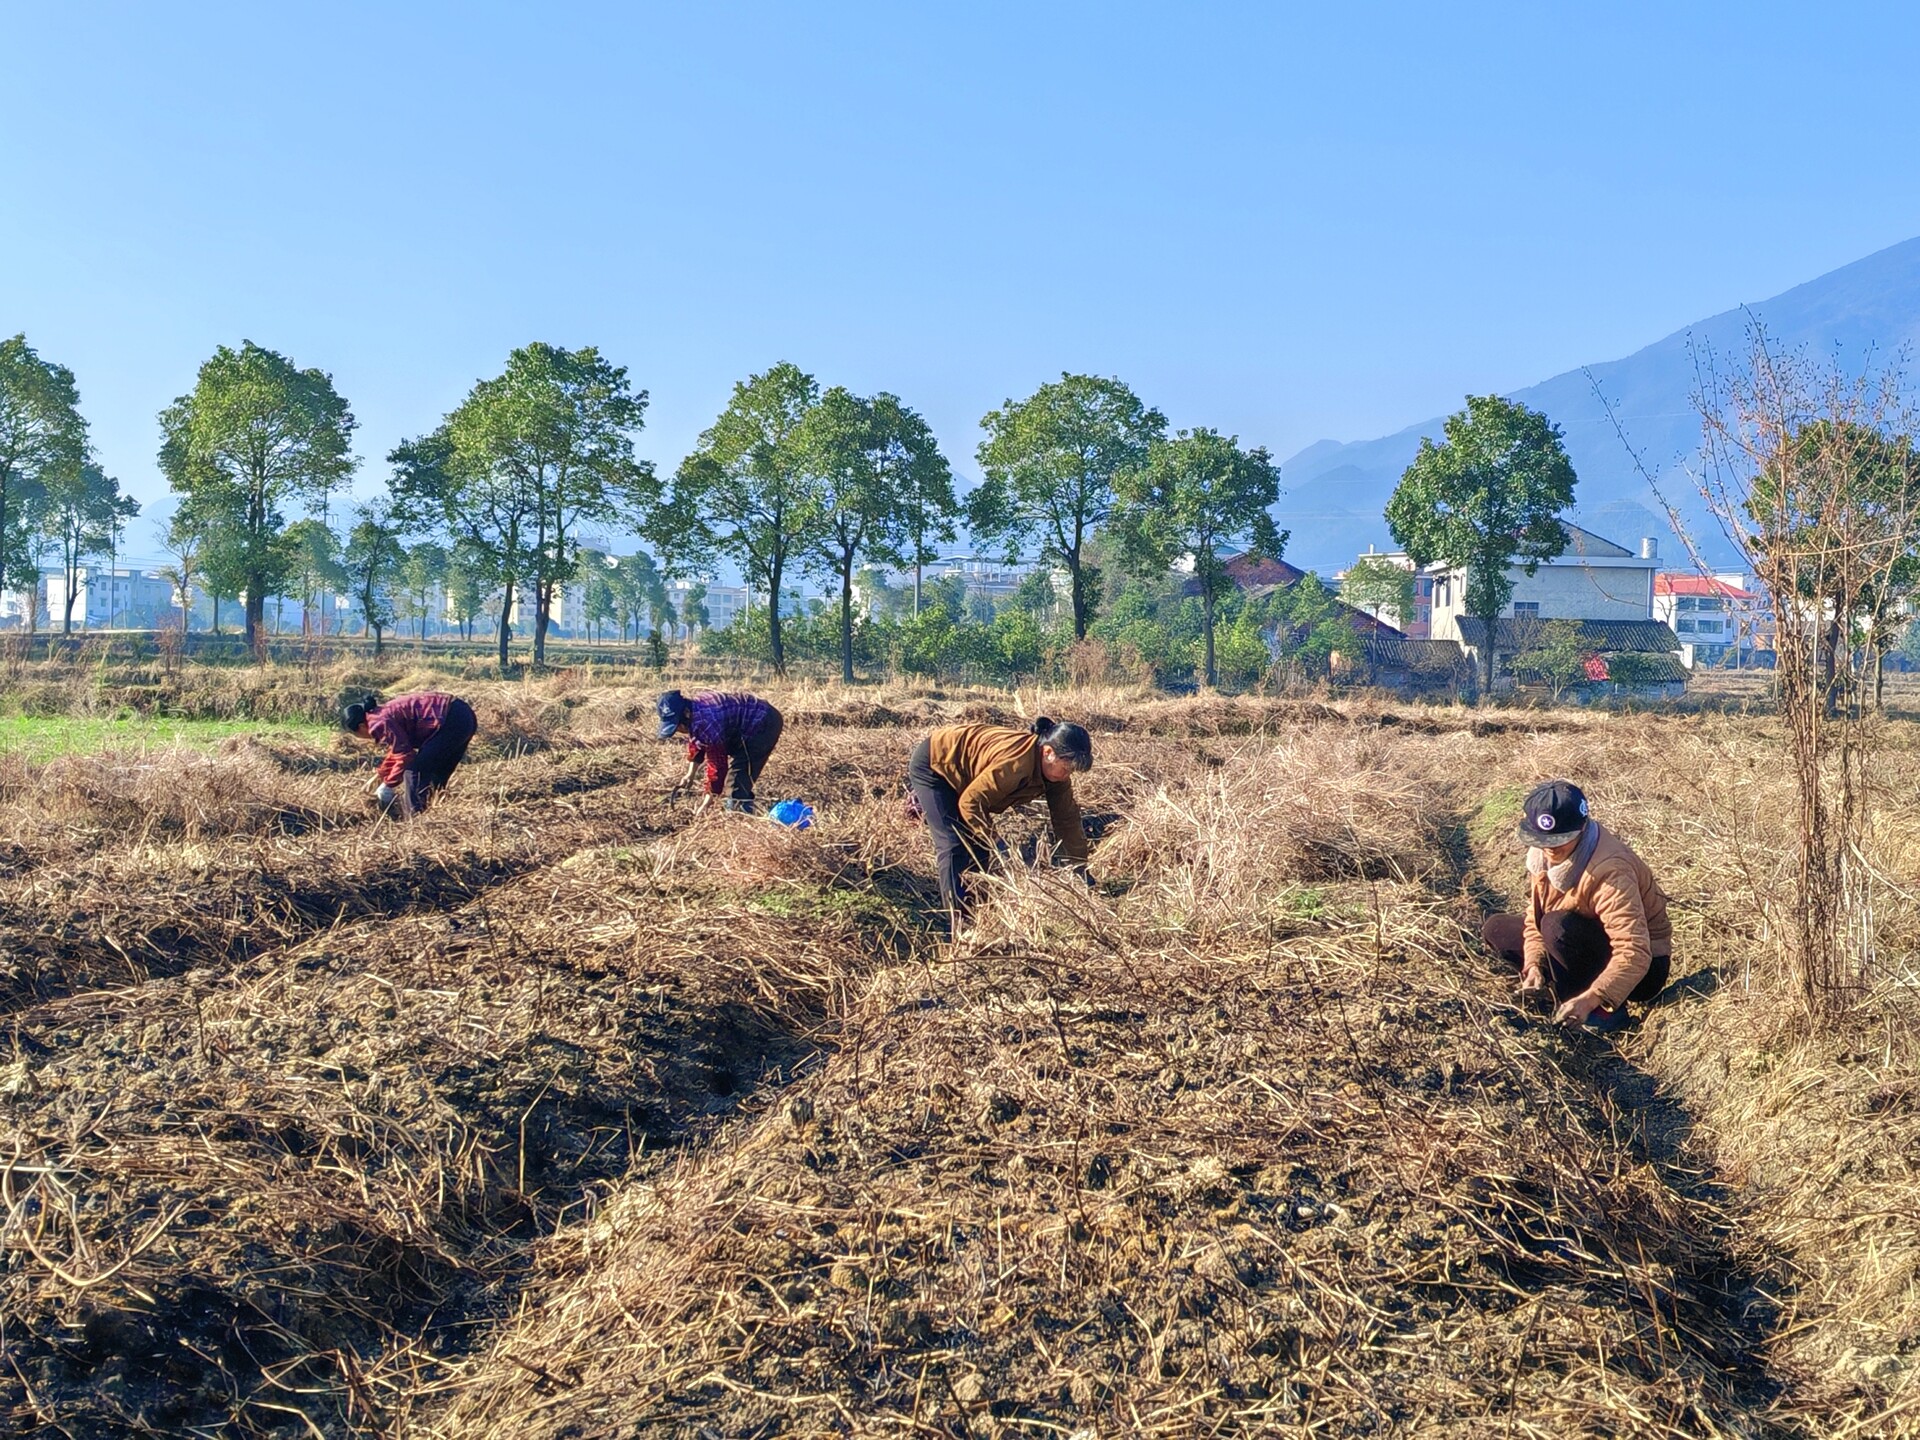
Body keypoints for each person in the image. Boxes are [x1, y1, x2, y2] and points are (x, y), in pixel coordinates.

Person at [1481, 779, 1672, 1032]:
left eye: (1561, 839)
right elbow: (1534, 920)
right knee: (1496, 928)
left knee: (1556, 926)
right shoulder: (1541, 856)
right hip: (1580, 940)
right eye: (1543, 840)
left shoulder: (1611, 869)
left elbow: (1634, 950)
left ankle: (1603, 1013)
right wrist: (1534, 965)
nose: (1551, 848)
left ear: (1581, 827)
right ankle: (1553, 988)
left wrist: (1592, 997)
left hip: (1643, 969)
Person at [907, 717, 1094, 931]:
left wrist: (1080, 867)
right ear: (1048, 752)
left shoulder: (1056, 776)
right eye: (1066, 768)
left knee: (980, 847)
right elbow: (971, 803)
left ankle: (977, 915)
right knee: (954, 844)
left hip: (969, 778)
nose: (1067, 775)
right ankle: (958, 926)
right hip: (936, 764)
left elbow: (1067, 820)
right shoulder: (1016, 764)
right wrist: (997, 842)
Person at [342, 692, 477, 819]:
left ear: (361, 726)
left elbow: (405, 754)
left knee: (413, 770)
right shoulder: (379, 714)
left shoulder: (378, 723)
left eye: (356, 734)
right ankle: (435, 814)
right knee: (437, 773)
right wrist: (381, 775)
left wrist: (388, 785)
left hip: (450, 720)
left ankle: (414, 820)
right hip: (463, 715)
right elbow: (397, 750)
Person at [658, 689, 785, 814]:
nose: (678, 730)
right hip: (743, 725)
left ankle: (739, 815)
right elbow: (697, 741)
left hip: (763, 722)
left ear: (686, 713)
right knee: (735, 775)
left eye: (678, 725)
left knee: (736, 784)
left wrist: (706, 803)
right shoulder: (694, 711)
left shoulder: (706, 722)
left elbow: (717, 765)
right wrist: (690, 775)